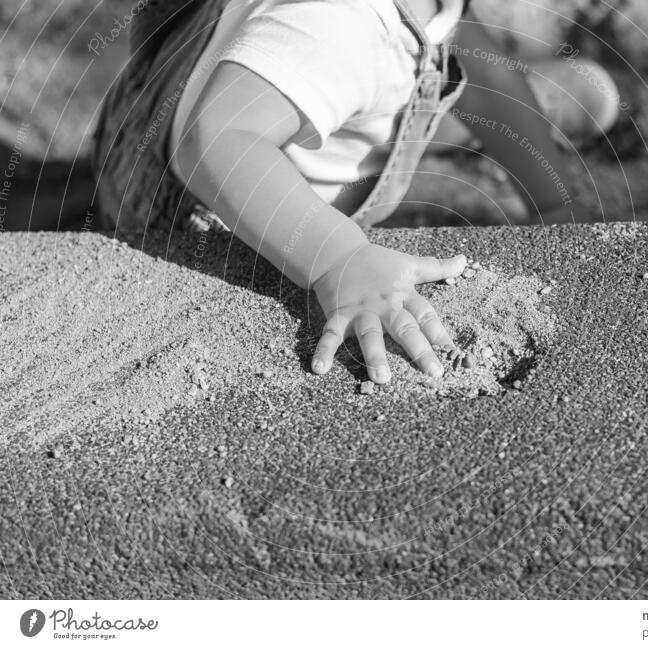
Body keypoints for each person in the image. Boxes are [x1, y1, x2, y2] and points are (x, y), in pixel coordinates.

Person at [93, 0, 620, 385]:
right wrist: (338, 258)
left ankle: (417, 118)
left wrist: (550, 194)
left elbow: (464, 43)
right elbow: (214, 141)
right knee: (354, 93)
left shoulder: (395, 17)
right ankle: (426, 124)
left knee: (433, 80)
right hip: (204, 198)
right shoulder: (342, 22)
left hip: (211, 88)